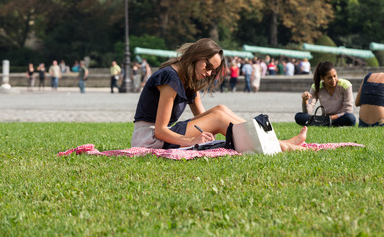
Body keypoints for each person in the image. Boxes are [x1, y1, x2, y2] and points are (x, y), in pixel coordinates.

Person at [131, 38, 309, 152]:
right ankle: (280, 146)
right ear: (196, 56)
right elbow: (161, 131)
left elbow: (201, 119)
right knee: (218, 117)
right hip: (150, 138)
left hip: (161, 135)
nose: (209, 73)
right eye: (208, 66)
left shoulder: (187, 78)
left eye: (213, 70)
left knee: (220, 110)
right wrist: (190, 140)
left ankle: (275, 141)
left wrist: (201, 134)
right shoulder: (170, 76)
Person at [295, 61, 356, 127]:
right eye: (329, 78)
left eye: (335, 76)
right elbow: (307, 112)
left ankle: (321, 124)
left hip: (338, 117)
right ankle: (325, 123)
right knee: (299, 116)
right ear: (322, 78)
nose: (333, 80)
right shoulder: (316, 87)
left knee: (350, 118)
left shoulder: (345, 85)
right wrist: (305, 101)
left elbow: (348, 111)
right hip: (325, 118)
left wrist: (330, 118)